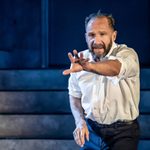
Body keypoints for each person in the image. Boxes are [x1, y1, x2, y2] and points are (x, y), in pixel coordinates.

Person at [63, 10, 140, 150]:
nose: (96, 41)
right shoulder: (80, 59)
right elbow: (74, 96)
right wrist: (80, 122)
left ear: (114, 35)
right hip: (92, 131)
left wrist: (89, 67)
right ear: (86, 37)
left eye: (102, 34)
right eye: (91, 35)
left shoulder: (127, 54)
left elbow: (116, 68)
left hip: (123, 132)